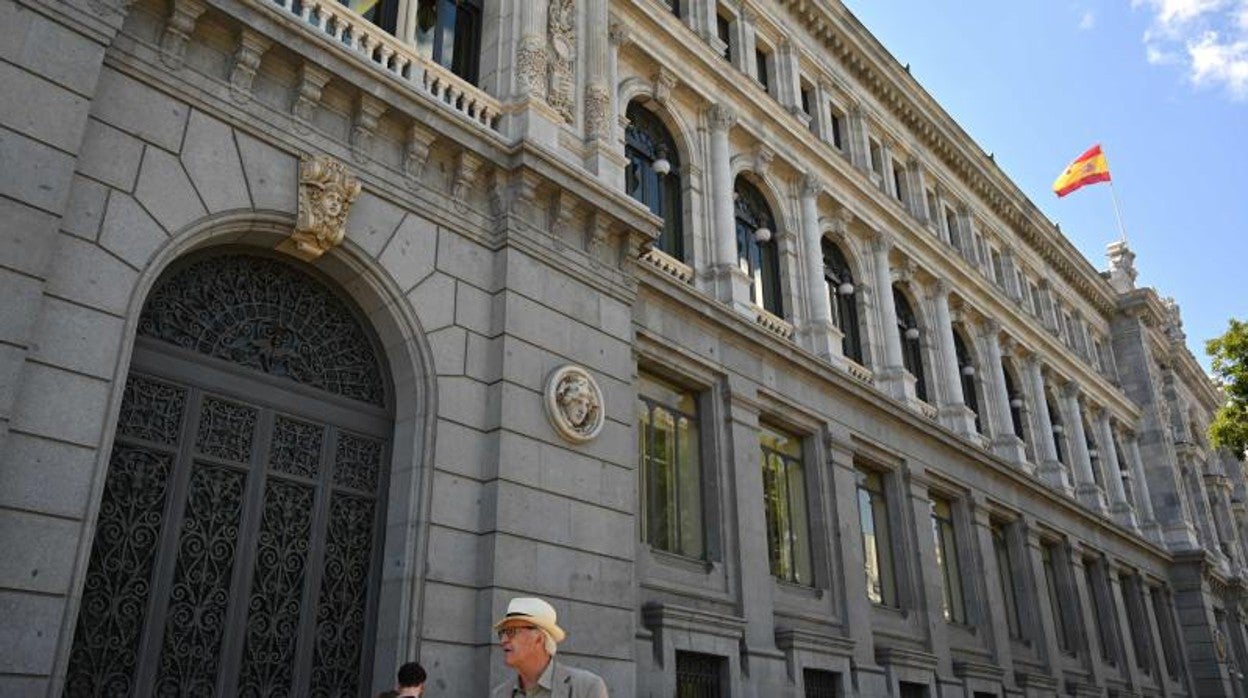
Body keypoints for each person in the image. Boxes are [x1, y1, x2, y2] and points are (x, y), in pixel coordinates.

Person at [492, 597, 608, 697]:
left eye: (511, 632)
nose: (503, 640)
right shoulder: (499, 694)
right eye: (502, 633)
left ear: (539, 638)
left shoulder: (586, 688)